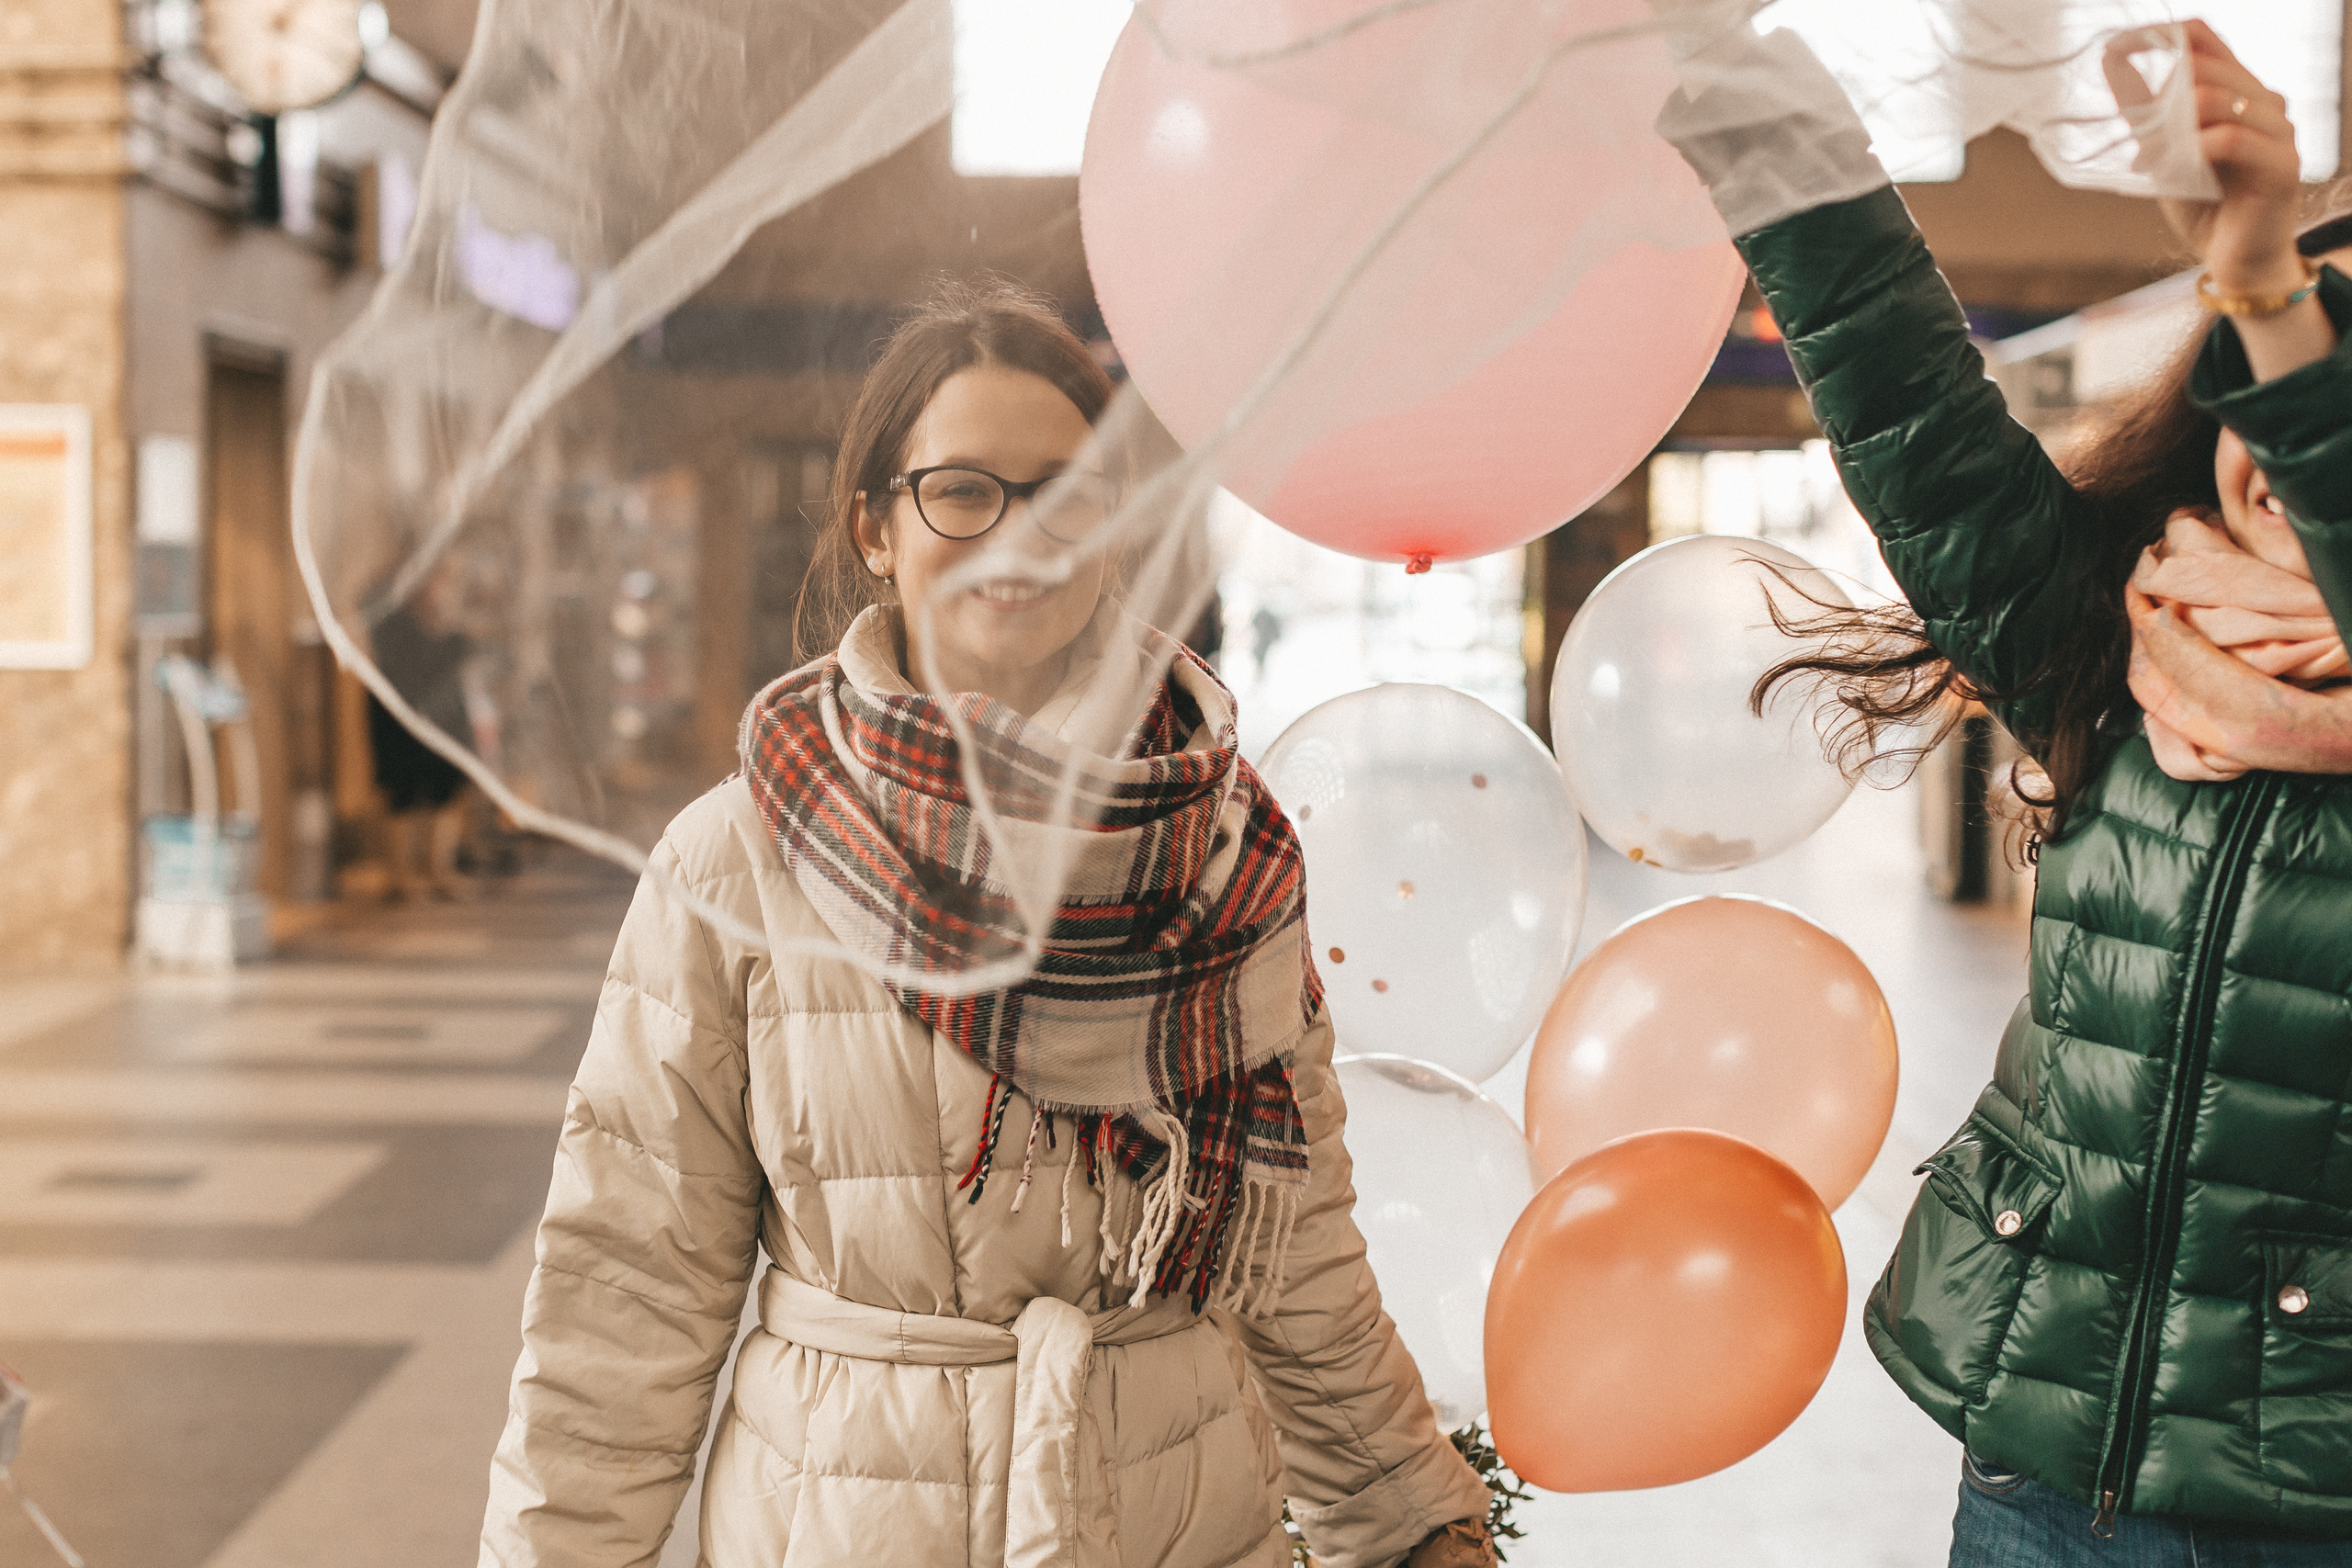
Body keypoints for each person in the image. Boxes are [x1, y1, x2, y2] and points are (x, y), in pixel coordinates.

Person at [478, 281, 1495, 1568]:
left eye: (1061, 496)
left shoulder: (1225, 852)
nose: (1015, 539)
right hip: (844, 1519)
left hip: (1178, 1518)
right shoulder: (737, 859)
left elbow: (1296, 1262)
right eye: (962, 490)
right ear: (877, 529)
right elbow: (628, 1291)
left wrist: (1412, 1526)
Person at [1662, 17, 2352, 1562]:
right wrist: (1763, 111)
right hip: (2043, 1453)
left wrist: (2262, 275)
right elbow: (1920, 416)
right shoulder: (2127, 635)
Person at [367, 567, 474, 901]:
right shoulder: (391, 621)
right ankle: (401, 875)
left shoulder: (433, 618)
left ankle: (436, 869)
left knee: (442, 790)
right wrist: (456, 644)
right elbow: (419, 664)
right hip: (400, 719)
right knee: (404, 794)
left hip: (438, 719)